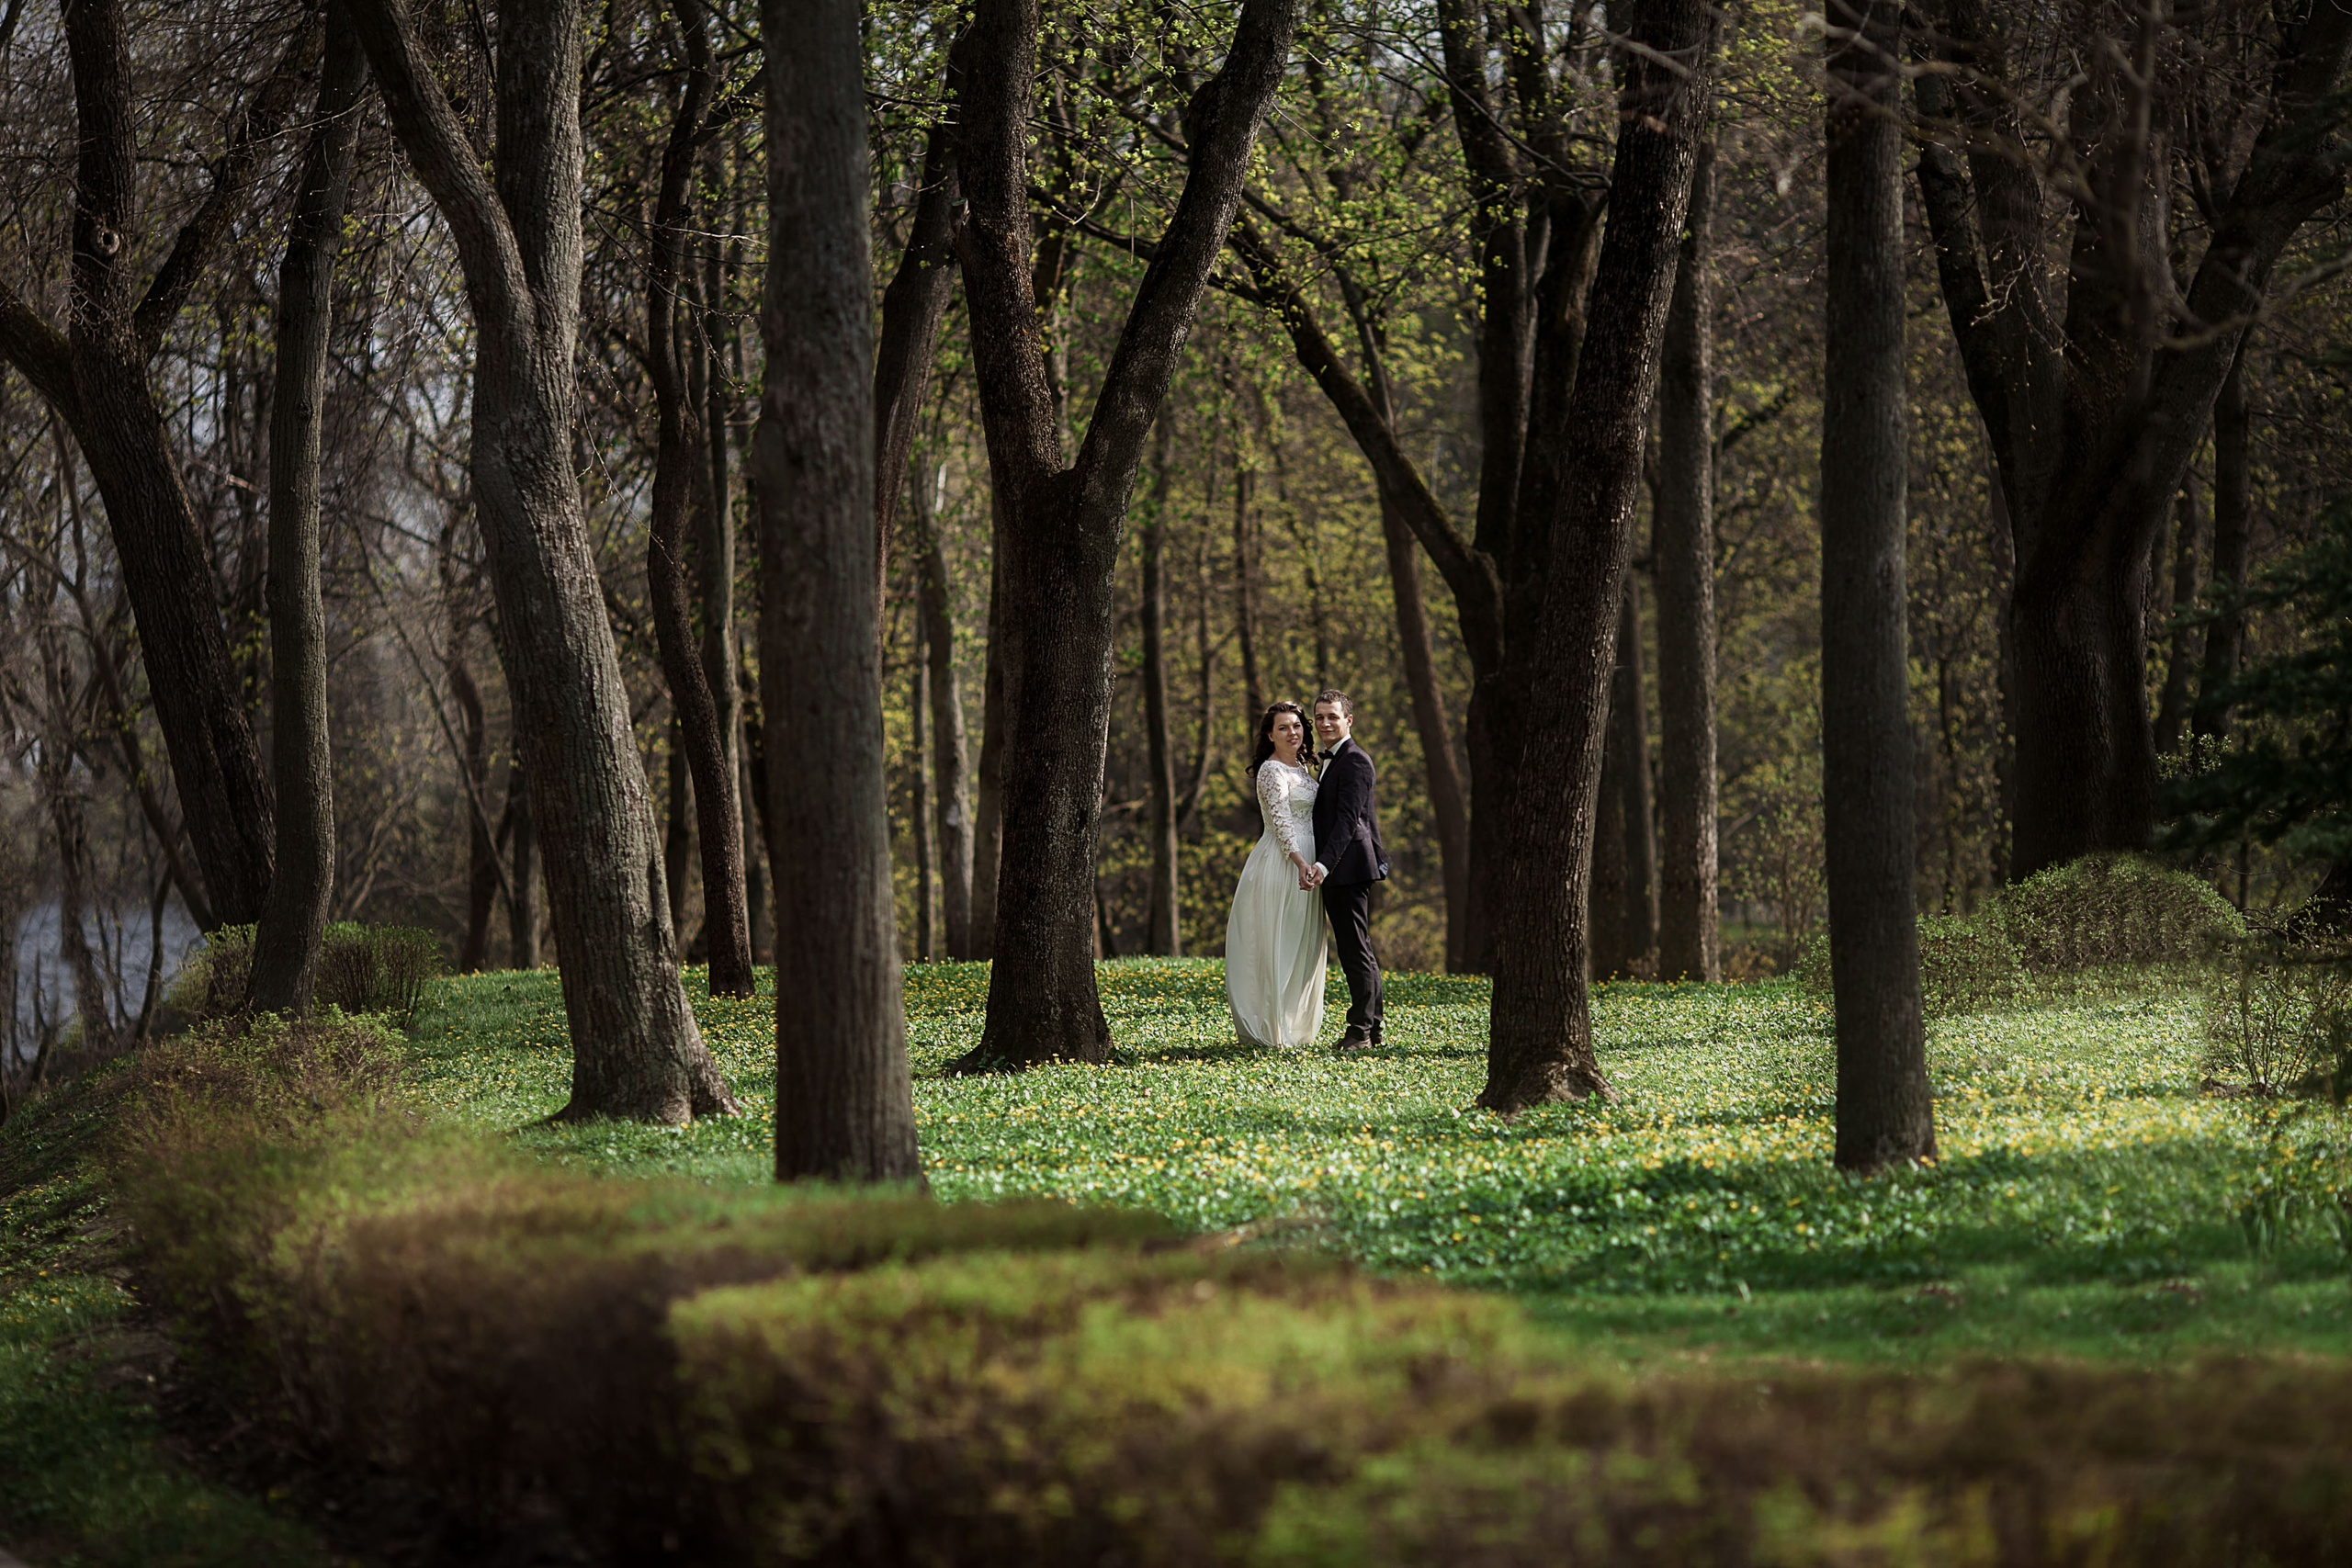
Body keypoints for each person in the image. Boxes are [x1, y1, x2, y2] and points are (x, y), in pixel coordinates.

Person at [1224, 701, 1327, 1048]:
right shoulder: (1271, 771)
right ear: (1270, 735)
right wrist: (1299, 862)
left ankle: (1294, 1025)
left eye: (1296, 726)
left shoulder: (1301, 769)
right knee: (1277, 941)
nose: (1291, 733)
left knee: (1302, 944)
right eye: (1283, 728)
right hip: (1283, 861)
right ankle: (1270, 1028)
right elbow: (1281, 820)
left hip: (1311, 861)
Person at [1309, 690, 1387, 1050]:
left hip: (1348, 867)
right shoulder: (1331, 760)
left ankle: (1359, 1032)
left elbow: (1348, 822)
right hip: (1343, 866)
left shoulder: (1355, 761)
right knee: (1358, 949)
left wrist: (1324, 865)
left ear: (1348, 720)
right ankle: (1371, 1029)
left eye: (1333, 717)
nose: (1325, 723)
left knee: (1355, 950)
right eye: (1320, 717)